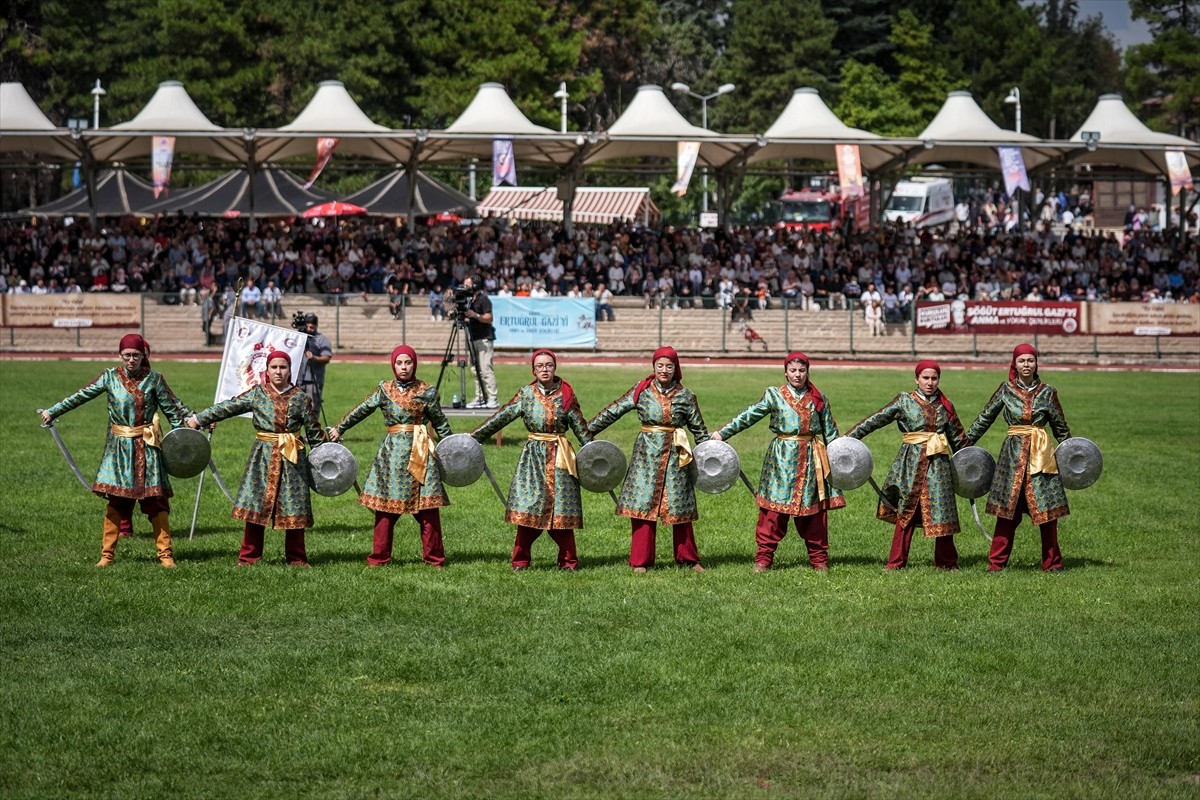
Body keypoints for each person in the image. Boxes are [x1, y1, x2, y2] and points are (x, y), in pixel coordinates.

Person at [40, 334, 194, 568]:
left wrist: (185, 439)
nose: (131, 359)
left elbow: (173, 412)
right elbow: (80, 396)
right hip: (119, 450)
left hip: (147, 449)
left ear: (143, 356)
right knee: (117, 502)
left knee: (156, 503)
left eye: (136, 355)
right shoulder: (109, 377)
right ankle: (106, 555)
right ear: (120, 355)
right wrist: (54, 411)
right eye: (127, 355)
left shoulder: (154, 379)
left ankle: (166, 555)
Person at [187, 350, 326, 567]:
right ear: (267, 370)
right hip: (262, 456)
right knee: (256, 504)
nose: (278, 371)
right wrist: (198, 419)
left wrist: (331, 452)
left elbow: (315, 433)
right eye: (274, 367)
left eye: (283, 367)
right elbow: (228, 407)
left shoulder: (300, 398)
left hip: (292, 459)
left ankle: (297, 558)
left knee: (293, 506)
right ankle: (249, 557)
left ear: (290, 370)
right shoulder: (257, 393)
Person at [710, 353, 845, 572]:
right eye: (793, 371)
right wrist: (722, 434)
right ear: (786, 372)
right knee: (773, 510)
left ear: (807, 372)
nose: (797, 375)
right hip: (781, 458)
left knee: (813, 511)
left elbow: (830, 431)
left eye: (802, 371)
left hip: (811, 459)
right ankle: (764, 558)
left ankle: (819, 558)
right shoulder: (775, 395)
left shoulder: (818, 398)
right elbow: (750, 415)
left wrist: (842, 458)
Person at [329, 345, 453, 568]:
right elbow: (362, 409)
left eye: (408, 362)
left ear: (414, 364)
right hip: (391, 455)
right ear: (393, 365)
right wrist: (340, 428)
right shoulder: (384, 389)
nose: (404, 367)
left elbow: (441, 422)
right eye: (399, 363)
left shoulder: (427, 391)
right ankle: (379, 558)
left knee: (427, 509)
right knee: (385, 508)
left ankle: (434, 559)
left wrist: (452, 447)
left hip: (421, 452)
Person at [588, 346, 709, 573]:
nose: (664, 370)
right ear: (653, 367)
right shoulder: (642, 391)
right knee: (643, 506)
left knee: (679, 507)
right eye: (660, 366)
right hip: (646, 456)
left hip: (676, 456)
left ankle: (689, 559)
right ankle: (640, 560)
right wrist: (588, 430)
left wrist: (713, 450)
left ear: (676, 368)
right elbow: (615, 410)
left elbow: (699, 429)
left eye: (669, 366)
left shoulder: (686, 395)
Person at [471, 350, 592, 571]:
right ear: (533, 370)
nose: (544, 369)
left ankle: (568, 562)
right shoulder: (526, 394)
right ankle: (521, 560)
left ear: (554, 367)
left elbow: (580, 427)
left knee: (561, 511)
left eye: (548, 365)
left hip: (561, 458)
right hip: (532, 459)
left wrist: (595, 452)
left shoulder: (566, 395)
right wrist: (473, 438)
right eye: (540, 366)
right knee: (529, 509)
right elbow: (502, 416)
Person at [845, 361, 970, 570]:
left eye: (934, 378)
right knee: (906, 509)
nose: (930, 383)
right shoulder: (904, 401)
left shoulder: (945, 406)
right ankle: (896, 562)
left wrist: (974, 463)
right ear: (917, 379)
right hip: (910, 463)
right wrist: (848, 439)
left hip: (938, 465)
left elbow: (959, 439)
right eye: (925, 378)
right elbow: (875, 419)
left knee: (942, 510)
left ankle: (947, 562)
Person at [965, 344, 1072, 572]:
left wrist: (1073, 455)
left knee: (1047, 515)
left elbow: (1061, 428)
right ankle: (996, 563)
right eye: (1022, 361)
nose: (1026, 365)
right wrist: (964, 445)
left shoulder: (1047, 392)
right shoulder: (1006, 390)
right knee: (1006, 514)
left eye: (1030, 361)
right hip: (1012, 458)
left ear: (1036, 364)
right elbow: (985, 418)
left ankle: (1052, 564)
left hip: (1041, 458)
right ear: (1015, 364)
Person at [461, 276, 498, 409]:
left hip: (484, 338)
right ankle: (480, 397)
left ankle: (493, 397)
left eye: (467, 285)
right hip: (473, 337)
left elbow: (489, 317)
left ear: (475, 286)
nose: (465, 288)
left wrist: (475, 315)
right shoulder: (470, 301)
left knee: (486, 368)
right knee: (475, 370)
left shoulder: (484, 299)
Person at [299, 313, 333, 418]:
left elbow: (326, 357)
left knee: (312, 408)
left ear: (316, 326)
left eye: (312, 327)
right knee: (296, 408)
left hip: (314, 380)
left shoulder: (322, 340)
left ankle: (312, 434)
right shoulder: (299, 337)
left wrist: (314, 358)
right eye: (307, 326)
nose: (309, 329)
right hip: (298, 379)